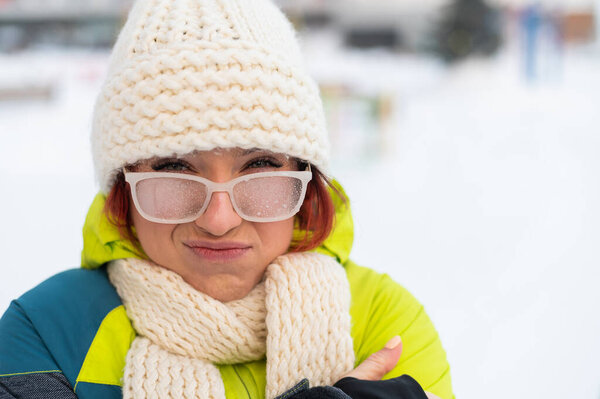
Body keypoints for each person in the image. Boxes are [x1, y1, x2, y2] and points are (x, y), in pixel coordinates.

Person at [0, 0, 454, 398]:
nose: (219, 220)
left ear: (307, 178)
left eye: (258, 167)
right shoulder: (47, 333)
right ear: (124, 186)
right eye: (175, 168)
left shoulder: (382, 321)